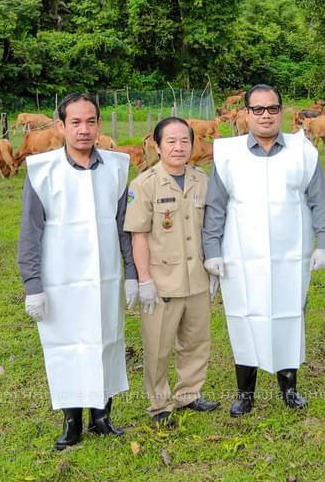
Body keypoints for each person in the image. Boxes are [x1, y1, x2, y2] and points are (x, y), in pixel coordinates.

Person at [202, 84, 325, 417]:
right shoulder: (228, 154)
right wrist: (212, 249)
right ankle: (245, 394)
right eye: (257, 109)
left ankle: (289, 389)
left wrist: (324, 243)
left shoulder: (303, 152)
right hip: (241, 254)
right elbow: (215, 206)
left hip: (291, 255)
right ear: (246, 114)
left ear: (281, 111)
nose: (265, 115)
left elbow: (319, 200)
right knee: (244, 316)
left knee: (289, 314)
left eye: (272, 108)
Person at [18, 93, 135, 450]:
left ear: (98, 125)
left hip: (105, 276)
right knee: (68, 345)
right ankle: (72, 422)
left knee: (106, 338)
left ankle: (102, 416)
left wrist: (132, 273)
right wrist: (33, 285)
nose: (84, 129)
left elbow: (124, 226)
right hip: (60, 279)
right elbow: (30, 232)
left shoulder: (117, 167)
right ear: (61, 126)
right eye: (76, 122)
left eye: (90, 122)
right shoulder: (43, 171)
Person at [124, 117, 221, 426]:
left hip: (196, 276)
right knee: (158, 347)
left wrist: (213, 264)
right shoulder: (144, 184)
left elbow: (211, 226)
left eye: (184, 141)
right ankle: (160, 404)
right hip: (162, 281)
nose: (179, 147)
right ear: (157, 145)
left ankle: (189, 394)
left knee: (196, 341)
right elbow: (138, 235)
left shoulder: (201, 180)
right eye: (171, 141)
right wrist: (144, 280)